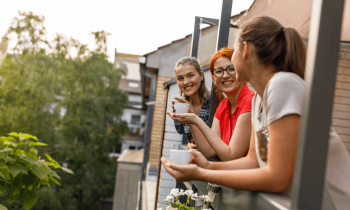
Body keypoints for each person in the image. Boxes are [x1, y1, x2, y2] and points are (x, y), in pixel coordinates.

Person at [162, 16, 350, 209]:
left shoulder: (283, 84)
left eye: (234, 54)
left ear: (245, 50)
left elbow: (277, 178)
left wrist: (202, 174)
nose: (226, 72)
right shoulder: (258, 98)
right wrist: (206, 166)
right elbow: (252, 162)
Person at [169, 48, 254, 161]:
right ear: (213, 78)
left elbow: (231, 156)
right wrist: (191, 121)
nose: (225, 75)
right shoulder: (223, 106)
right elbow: (210, 150)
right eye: (219, 71)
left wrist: (194, 119)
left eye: (231, 69)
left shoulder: (250, 101)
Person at [171, 57, 211, 145]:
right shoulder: (179, 104)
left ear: (201, 76)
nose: (185, 82)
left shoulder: (214, 101)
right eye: (180, 78)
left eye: (190, 75)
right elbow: (181, 131)